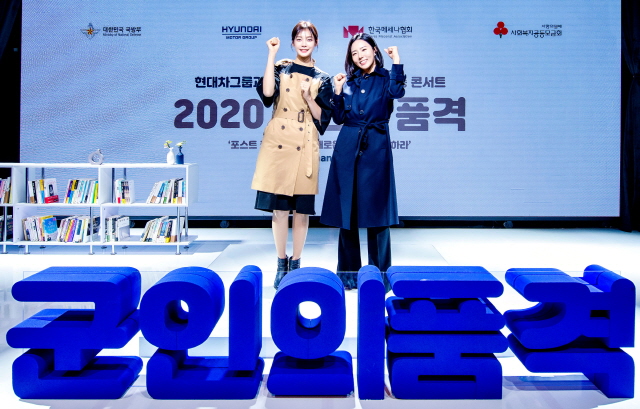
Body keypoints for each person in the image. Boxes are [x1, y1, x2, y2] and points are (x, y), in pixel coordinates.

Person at [320, 33, 405, 290]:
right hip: (347, 146)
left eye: (364, 50)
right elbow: (338, 118)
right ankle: (349, 275)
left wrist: (397, 61)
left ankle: (380, 277)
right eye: (354, 53)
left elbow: (397, 92)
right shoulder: (349, 82)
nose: (360, 56)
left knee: (377, 213)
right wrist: (337, 90)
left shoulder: (386, 77)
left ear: (375, 51)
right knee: (348, 212)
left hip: (376, 145)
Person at [252, 21, 332, 289]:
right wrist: (271, 55)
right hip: (278, 141)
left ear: (316, 42)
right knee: (279, 209)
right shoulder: (281, 68)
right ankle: (280, 262)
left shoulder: (323, 78)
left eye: (309, 38)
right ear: (293, 42)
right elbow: (267, 94)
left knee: (301, 211)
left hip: (305, 141)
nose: (304, 43)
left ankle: (296, 262)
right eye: (299, 39)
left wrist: (309, 98)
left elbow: (323, 118)